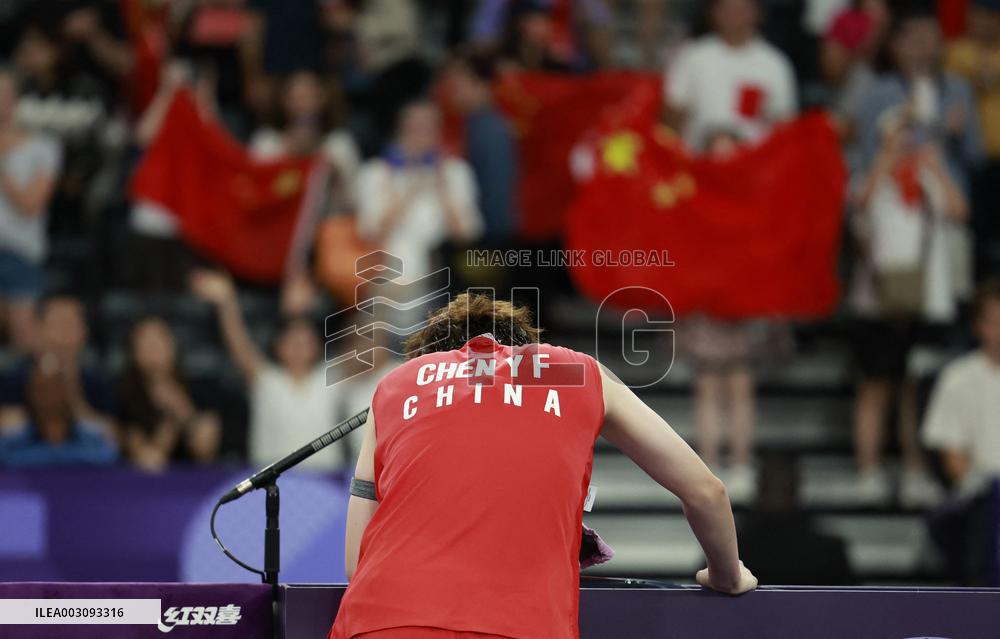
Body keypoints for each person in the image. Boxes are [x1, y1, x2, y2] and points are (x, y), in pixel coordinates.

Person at [328, 293, 756, 639]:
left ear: (434, 357)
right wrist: (727, 575)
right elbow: (706, 491)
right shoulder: (575, 372)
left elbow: (355, 564)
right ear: (520, 342)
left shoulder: (395, 386)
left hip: (381, 621)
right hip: (522, 625)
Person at [847, 105, 969, 507]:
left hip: (925, 303)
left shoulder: (930, 182)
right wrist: (884, 158)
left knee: (914, 390)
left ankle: (915, 470)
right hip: (878, 303)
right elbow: (857, 208)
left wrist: (934, 165)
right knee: (875, 387)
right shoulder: (874, 181)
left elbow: (959, 211)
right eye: (901, 136)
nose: (908, 145)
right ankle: (869, 471)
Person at [190, 269, 348, 471]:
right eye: (292, 342)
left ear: (318, 346)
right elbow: (239, 346)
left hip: (325, 481)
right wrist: (226, 302)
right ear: (277, 346)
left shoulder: (331, 376)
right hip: (273, 481)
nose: (298, 348)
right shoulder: (267, 379)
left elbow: (365, 342)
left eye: (305, 341)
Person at [355, 100, 482, 295]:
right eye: (414, 128)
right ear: (399, 131)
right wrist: (409, 191)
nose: (422, 136)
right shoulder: (376, 173)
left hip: (445, 272)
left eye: (429, 129)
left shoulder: (456, 171)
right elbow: (373, 233)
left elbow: (466, 234)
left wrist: (443, 188)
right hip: (390, 276)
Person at [665, 0, 797, 150]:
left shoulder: (775, 63)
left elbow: (784, 124)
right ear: (712, 12)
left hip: (752, 162)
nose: (733, 15)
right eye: (726, 8)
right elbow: (674, 114)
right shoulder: (692, 55)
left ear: (758, 13)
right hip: (698, 158)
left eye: (741, 9)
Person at [0, 65, 61, 352]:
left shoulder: (43, 148)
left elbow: (30, 204)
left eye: (5, 95)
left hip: (19, 251)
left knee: (25, 339)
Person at [922, 279, 1000, 496]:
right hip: (983, 499)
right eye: (994, 322)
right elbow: (952, 458)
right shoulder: (957, 378)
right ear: (977, 326)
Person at [118, 316, 222, 472]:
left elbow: (205, 451)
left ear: (173, 345)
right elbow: (150, 462)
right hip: (152, 490)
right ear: (133, 352)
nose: (153, 349)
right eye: (145, 343)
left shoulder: (201, 389)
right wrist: (170, 421)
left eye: (159, 340)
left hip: (201, 486)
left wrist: (180, 408)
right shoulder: (126, 398)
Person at [0, 294, 116, 430]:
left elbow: (110, 438)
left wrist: (72, 391)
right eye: (58, 323)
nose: (65, 333)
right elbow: (7, 430)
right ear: (39, 329)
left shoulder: (98, 384)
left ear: (85, 331)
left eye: (72, 323)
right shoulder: (13, 380)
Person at [738, 455, 853, 585]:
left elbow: (848, 599)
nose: (777, 496)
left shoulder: (829, 551)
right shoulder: (736, 550)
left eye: (782, 489)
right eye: (773, 488)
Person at [445, 49, 518, 247]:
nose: (452, 90)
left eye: (458, 84)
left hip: (489, 240)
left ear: (481, 85)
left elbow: (496, 193)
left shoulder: (490, 131)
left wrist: (486, 244)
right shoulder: (473, 125)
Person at [0, 361, 118, 467]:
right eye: (42, 388)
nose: (49, 396)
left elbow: (107, 455)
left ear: (69, 394)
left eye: (55, 387)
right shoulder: (12, 445)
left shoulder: (95, 443)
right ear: (30, 394)